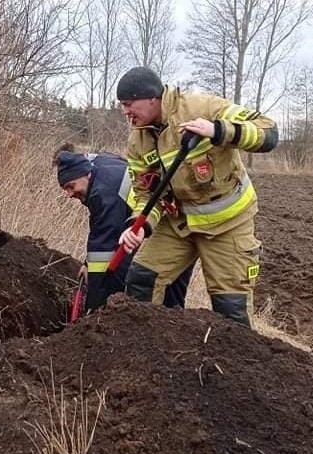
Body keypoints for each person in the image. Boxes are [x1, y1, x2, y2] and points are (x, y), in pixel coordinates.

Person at [115, 67, 278, 327]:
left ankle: (235, 366)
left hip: (228, 226)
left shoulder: (202, 106)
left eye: (128, 104)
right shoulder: (137, 142)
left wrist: (218, 131)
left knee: (230, 309)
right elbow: (147, 194)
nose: (125, 112)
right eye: (122, 106)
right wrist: (141, 226)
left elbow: (269, 133)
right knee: (141, 280)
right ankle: (144, 355)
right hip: (178, 224)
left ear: (152, 98)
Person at [54, 145, 191, 312]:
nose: (69, 194)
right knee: (171, 293)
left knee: (142, 281)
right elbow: (103, 235)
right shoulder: (97, 165)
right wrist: (88, 264)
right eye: (65, 189)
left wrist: (94, 307)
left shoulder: (103, 193)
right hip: (175, 223)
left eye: (71, 186)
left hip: (168, 226)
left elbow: (104, 247)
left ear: (86, 174)